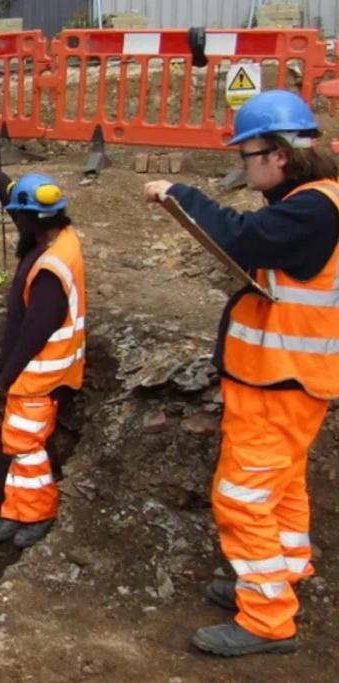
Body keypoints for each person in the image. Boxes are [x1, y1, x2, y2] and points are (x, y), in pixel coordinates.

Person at [144, 89, 339, 657]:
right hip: (287, 379)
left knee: (243, 497)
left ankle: (267, 617)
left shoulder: (311, 209)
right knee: (281, 489)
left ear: (279, 154)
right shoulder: (314, 201)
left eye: (246, 154)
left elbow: (242, 237)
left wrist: (180, 193)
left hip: (280, 379)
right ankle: (281, 573)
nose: (242, 164)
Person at [0, 134, 87, 549]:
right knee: (23, 447)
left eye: (19, 217)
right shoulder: (56, 235)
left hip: (41, 369)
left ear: (33, 219)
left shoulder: (51, 266)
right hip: (48, 366)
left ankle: (37, 514)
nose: (14, 220)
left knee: (25, 444)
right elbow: (10, 191)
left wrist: (7, 374)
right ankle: (18, 510)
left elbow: (37, 329)